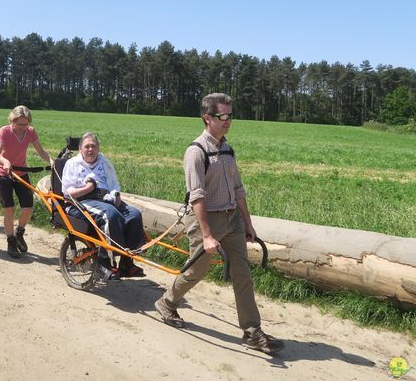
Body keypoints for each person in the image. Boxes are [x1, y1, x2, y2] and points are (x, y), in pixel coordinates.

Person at [154, 93, 284, 354]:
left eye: (230, 116)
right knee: (196, 271)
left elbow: (238, 189)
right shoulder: (196, 152)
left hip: (232, 218)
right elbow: (197, 196)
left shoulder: (227, 149)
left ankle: (251, 331)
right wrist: (207, 235)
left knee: (242, 274)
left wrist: (248, 223)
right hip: (207, 220)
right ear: (207, 118)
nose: (228, 121)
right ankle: (167, 302)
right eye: (222, 116)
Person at [61, 132, 146, 278]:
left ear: (98, 148)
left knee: (134, 215)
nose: (90, 149)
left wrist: (115, 195)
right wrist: (88, 189)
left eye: (93, 146)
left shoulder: (104, 162)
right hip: (81, 200)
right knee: (110, 215)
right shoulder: (72, 164)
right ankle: (103, 262)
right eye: (86, 146)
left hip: (105, 198)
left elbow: (114, 184)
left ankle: (127, 262)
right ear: (80, 148)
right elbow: (67, 193)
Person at [0, 105, 52, 258]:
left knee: (28, 207)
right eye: (20, 124)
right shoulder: (4, 131)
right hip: (4, 174)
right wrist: (5, 162)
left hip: (21, 173)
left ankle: (19, 233)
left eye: (26, 124)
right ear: (12, 120)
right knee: (9, 209)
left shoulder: (30, 132)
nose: (23, 128)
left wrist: (52, 161)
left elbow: (41, 151)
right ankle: (11, 240)